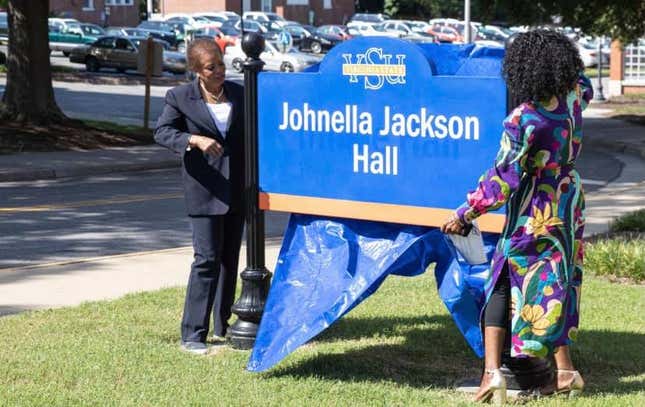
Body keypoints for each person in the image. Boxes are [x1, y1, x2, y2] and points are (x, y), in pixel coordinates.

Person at [441, 29, 593, 403]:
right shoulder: (575, 97)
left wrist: (465, 213)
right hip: (568, 201)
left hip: (536, 209)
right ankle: (566, 371)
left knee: (502, 280)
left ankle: (493, 374)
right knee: (557, 281)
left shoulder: (524, 119)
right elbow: (583, 80)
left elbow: (501, 179)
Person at [154, 38, 245, 355]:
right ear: (196, 70)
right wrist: (194, 139)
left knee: (229, 260)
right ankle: (193, 334)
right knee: (206, 260)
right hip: (204, 189)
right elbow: (163, 132)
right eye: (211, 67)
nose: (220, 71)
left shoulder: (239, 93)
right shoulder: (180, 97)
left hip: (236, 189)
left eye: (221, 64)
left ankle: (224, 326)